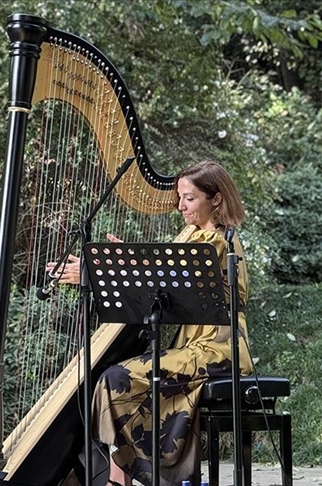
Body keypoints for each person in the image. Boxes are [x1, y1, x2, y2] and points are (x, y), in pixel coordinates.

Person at [45, 161, 254, 486]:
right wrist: (119, 264)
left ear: (215, 199)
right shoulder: (197, 238)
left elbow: (168, 283)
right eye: (179, 198)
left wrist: (99, 271)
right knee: (116, 378)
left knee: (115, 379)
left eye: (189, 198)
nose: (180, 206)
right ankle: (122, 478)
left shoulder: (217, 244)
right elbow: (161, 283)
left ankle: (121, 479)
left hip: (217, 352)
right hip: (193, 349)